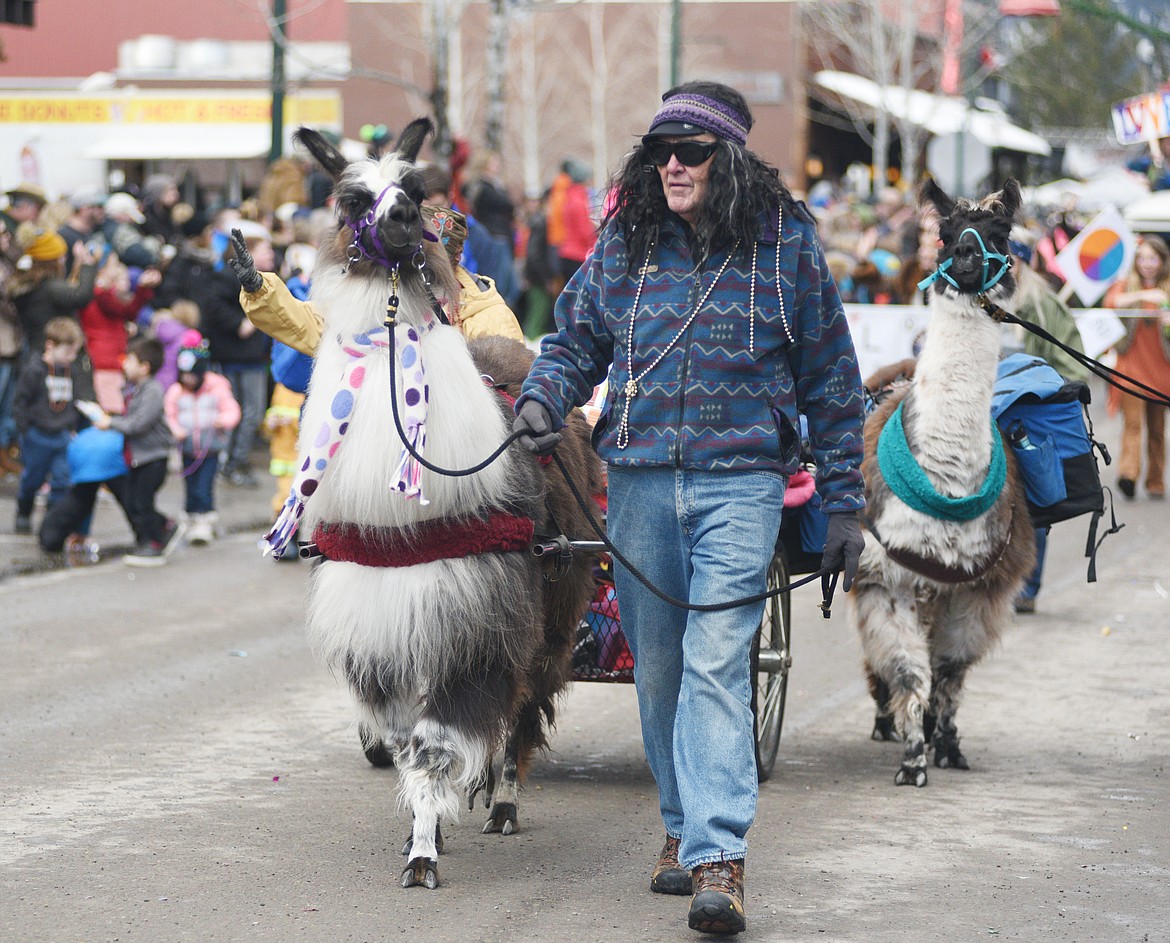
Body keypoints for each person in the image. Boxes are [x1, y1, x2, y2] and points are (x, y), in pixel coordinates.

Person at [511, 80, 866, 936]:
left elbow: (833, 379)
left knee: (713, 661)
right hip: (634, 478)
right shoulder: (625, 242)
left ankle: (718, 854)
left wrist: (847, 503)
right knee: (661, 667)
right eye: (661, 147)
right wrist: (539, 400)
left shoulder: (788, 247)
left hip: (742, 482)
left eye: (693, 150)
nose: (672, 162)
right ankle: (680, 825)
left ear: (730, 158)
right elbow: (574, 340)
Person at [1005, 226, 1090, 615]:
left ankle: (1027, 586)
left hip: (1029, 420)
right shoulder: (977, 298)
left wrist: (1035, 386)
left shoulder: (1042, 303)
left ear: (1023, 260)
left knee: (1032, 502)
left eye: (1010, 259)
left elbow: (1073, 365)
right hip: (987, 415)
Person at [197, 221, 273, 488]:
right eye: (265, 250)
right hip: (235, 355)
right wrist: (240, 322)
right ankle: (233, 462)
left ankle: (235, 461)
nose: (271, 256)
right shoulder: (228, 277)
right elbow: (213, 305)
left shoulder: (267, 279)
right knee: (244, 412)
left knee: (250, 412)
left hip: (253, 356)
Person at [93, 336, 181, 565]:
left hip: (154, 458)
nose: (123, 364)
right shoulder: (137, 389)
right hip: (138, 459)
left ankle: (154, 543)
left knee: (142, 502)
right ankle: (164, 526)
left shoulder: (152, 390)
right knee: (133, 500)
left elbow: (138, 424)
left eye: (129, 360)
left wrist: (109, 423)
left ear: (144, 367)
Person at [1102, 235, 1170, 501]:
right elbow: (1111, 302)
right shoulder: (1127, 285)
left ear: (1163, 261)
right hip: (1131, 370)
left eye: (1153, 258)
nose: (1147, 264)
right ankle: (1128, 476)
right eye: (1142, 258)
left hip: (1162, 372)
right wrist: (1144, 294)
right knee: (1132, 424)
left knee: (1157, 429)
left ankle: (1155, 481)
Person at [163, 330, 240, 546]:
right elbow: (169, 413)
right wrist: (176, 429)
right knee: (190, 485)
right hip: (187, 448)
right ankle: (190, 517)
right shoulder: (176, 392)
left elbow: (232, 409)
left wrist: (223, 420)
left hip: (210, 449)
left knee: (204, 486)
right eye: (183, 375)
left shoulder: (216, 387)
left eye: (191, 375)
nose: (187, 380)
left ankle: (204, 521)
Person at [12, 317, 84, 534]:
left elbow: (72, 401)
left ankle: (52, 523)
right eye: (67, 352)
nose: (71, 358)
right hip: (38, 435)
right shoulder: (34, 370)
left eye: (74, 353)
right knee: (33, 478)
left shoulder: (69, 371)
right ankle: (24, 512)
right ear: (50, 345)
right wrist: (26, 430)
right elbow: (21, 402)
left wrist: (72, 426)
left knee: (62, 479)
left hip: (61, 434)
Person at [79, 257, 161, 414]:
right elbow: (125, 311)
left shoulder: (104, 296)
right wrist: (142, 288)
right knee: (112, 412)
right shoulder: (100, 294)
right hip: (105, 362)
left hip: (111, 361)